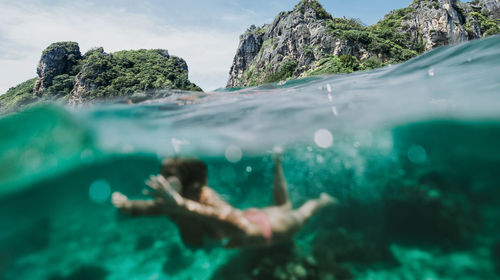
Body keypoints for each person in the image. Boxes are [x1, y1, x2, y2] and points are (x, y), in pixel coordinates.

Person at [112, 155, 337, 248]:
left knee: (301, 213)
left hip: (264, 229)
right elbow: (149, 208)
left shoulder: (202, 198)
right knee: (283, 205)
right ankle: (277, 162)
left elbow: (238, 224)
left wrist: (183, 205)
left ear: (192, 185)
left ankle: (322, 201)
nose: (163, 184)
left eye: (169, 180)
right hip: (249, 217)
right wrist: (128, 205)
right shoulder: (173, 202)